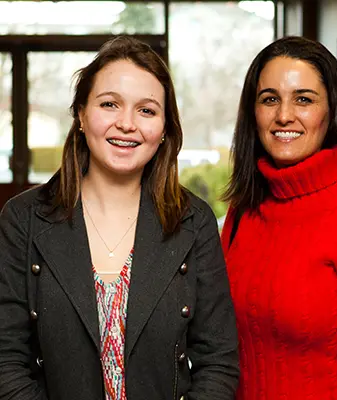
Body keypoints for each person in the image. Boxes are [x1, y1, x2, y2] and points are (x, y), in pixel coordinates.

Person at [0, 36, 239, 400]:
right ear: (80, 114)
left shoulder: (194, 221)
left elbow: (218, 362)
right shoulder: (24, 218)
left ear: (164, 129)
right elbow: (6, 359)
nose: (127, 124)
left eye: (146, 110)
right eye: (110, 104)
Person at [221, 36, 337, 400]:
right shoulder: (242, 212)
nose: (284, 115)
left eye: (303, 99)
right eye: (269, 99)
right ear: (252, 113)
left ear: (332, 111)